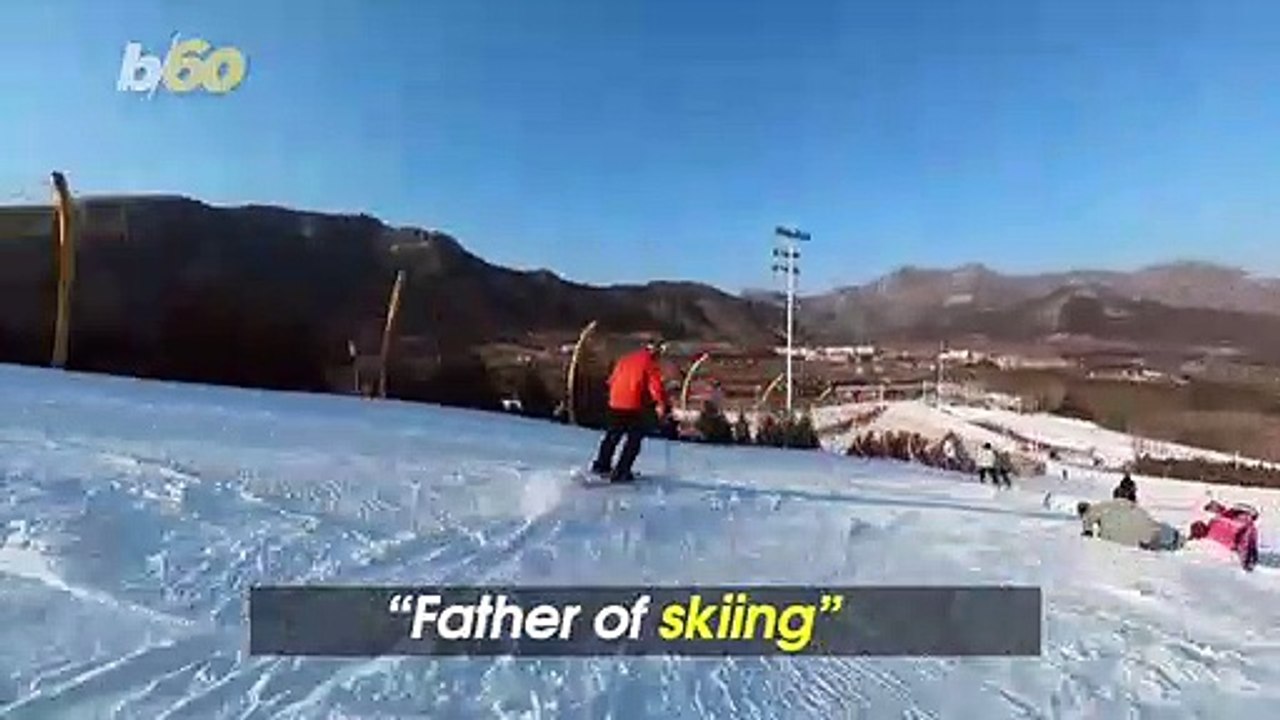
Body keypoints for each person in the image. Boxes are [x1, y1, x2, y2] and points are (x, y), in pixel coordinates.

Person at [590, 339, 671, 482]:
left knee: (612, 436)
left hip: (615, 402)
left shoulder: (625, 359)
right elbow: (656, 387)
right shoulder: (649, 363)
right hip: (633, 404)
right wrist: (662, 406)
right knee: (634, 439)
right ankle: (622, 471)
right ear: (656, 351)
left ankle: (601, 465)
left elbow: (611, 380)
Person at [1077, 497, 1183, 551]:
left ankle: (1171, 541)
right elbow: (1126, 503)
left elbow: (1088, 529)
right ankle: (1174, 539)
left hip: (1130, 533)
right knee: (1152, 530)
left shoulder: (1092, 514)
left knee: (1149, 536)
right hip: (1138, 521)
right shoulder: (1105, 505)